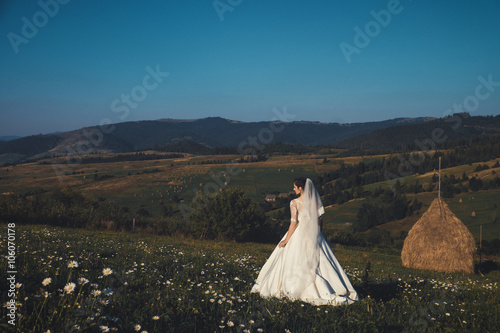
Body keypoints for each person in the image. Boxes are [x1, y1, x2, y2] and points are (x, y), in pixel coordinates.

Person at [251, 177, 358, 305]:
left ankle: (294, 288)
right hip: (314, 235)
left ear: (301, 188)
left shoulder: (294, 202)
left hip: (299, 234)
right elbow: (320, 221)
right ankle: (333, 288)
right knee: (321, 262)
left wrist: (286, 240)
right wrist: (318, 234)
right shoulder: (314, 202)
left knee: (293, 261)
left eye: (295, 187)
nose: (293, 189)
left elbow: (294, 223)